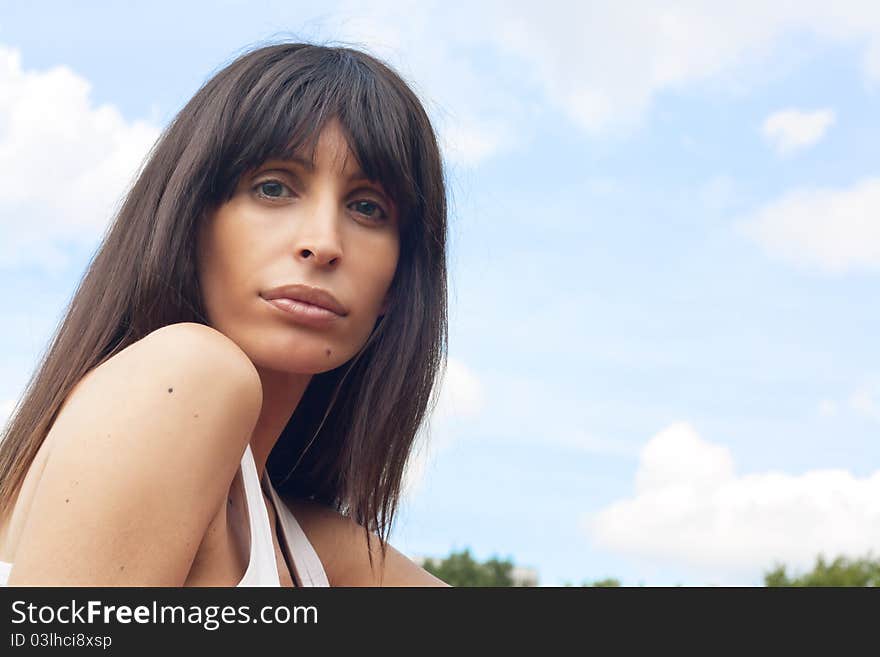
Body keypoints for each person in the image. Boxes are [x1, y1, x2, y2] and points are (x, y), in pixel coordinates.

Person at [0, 42, 449, 586]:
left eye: (367, 208)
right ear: (189, 222)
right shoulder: (185, 375)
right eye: (274, 188)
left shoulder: (311, 545)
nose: (323, 242)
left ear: (396, 288)